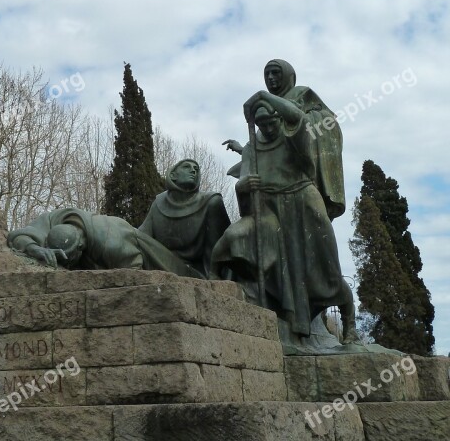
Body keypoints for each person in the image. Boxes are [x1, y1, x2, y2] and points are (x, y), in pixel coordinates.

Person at [211, 90, 359, 346]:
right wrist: (243, 186)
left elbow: (298, 117)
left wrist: (262, 96)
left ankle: (350, 325)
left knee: (327, 270)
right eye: (262, 124)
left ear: (281, 119)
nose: (268, 128)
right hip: (270, 211)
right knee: (237, 241)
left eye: (272, 122)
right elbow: (244, 187)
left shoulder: (297, 137)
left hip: (305, 205)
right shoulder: (251, 149)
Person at [224, 59, 344, 219]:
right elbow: (268, 148)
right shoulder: (265, 109)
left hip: (299, 187)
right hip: (271, 195)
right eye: (267, 74)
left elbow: (314, 126)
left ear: (289, 76)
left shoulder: (301, 97)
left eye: (275, 72)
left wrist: (263, 96)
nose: (270, 77)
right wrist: (241, 149)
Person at [7, 207, 205, 278]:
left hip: (149, 257)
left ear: (79, 248)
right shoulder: (58, 220)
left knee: (188, 277)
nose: (65, 264)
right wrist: (35, 248)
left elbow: (133, 274)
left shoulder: (112, 244)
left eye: (68, 259)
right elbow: (19, 235)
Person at [138, 159, 231, 278]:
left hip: (195, 272)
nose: (193, 171)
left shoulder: (211, 202)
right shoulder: (159, 202)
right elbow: (142, 237)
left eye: (196, 169)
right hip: (160, 263)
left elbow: (218, 250)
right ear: (172, 175)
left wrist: (214, 279)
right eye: (187, 167)